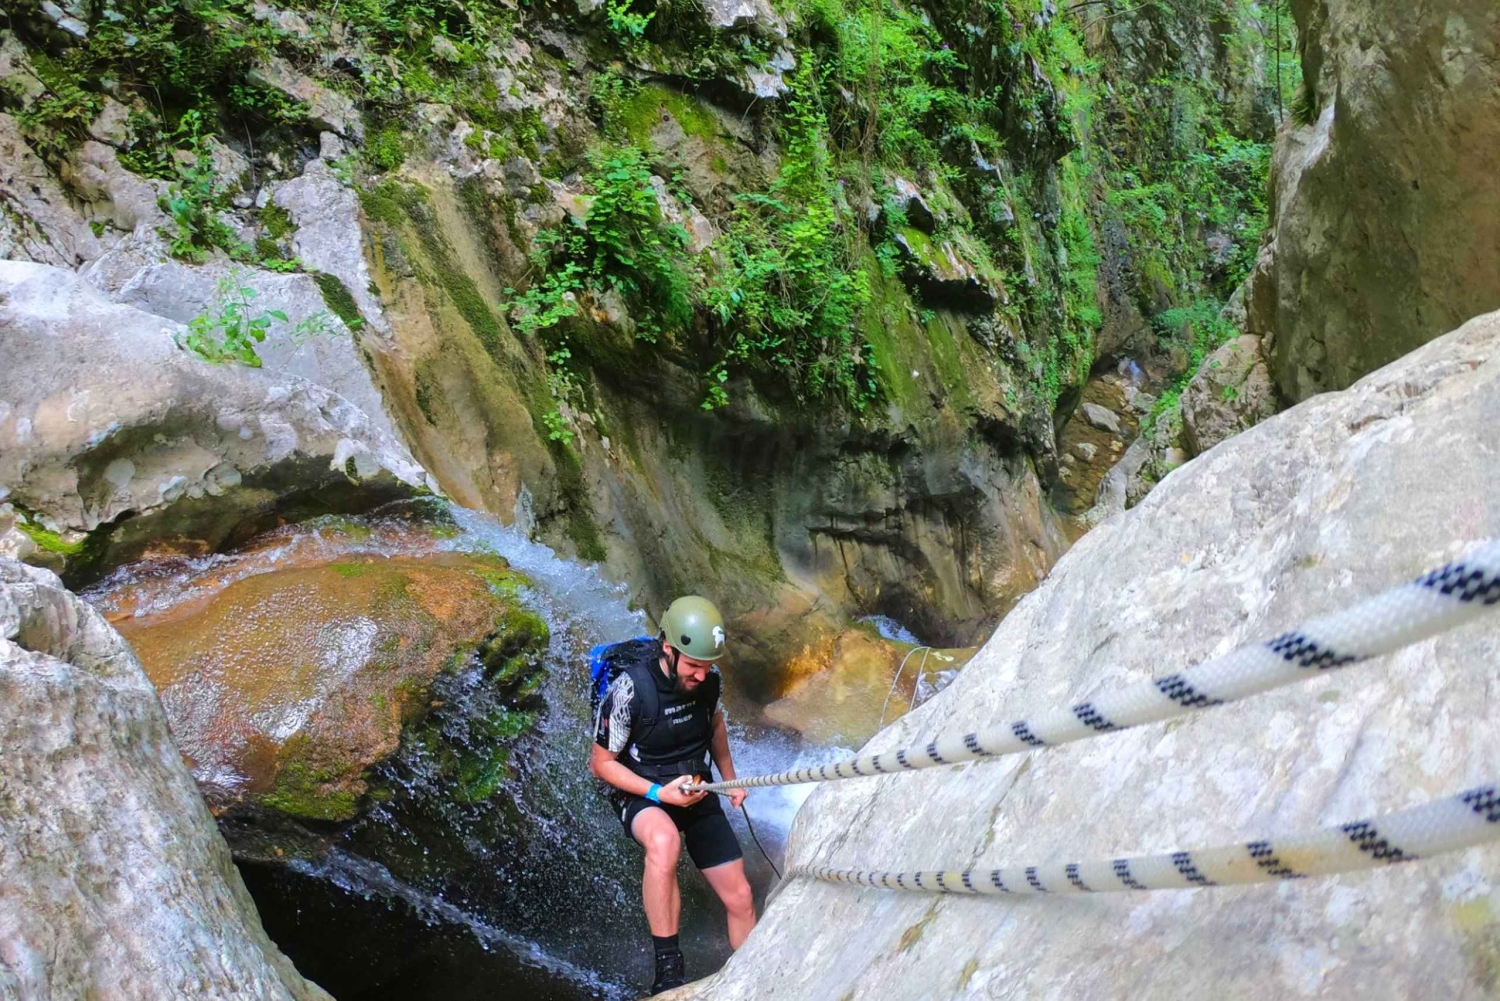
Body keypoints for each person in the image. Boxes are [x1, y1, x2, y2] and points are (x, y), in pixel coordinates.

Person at [589, 596, 756, 996]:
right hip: (642, 790)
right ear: (669, 649)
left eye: (708, 665)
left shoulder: (710, 682)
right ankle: (668, 972)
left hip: (696, 787)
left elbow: (715, 730)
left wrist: (730, 781)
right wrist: (655, 792)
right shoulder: (630, 689)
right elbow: (600, 763)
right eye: (694, 666)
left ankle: (754, 975)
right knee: (663, 843)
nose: (702, 675)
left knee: (741, 895)